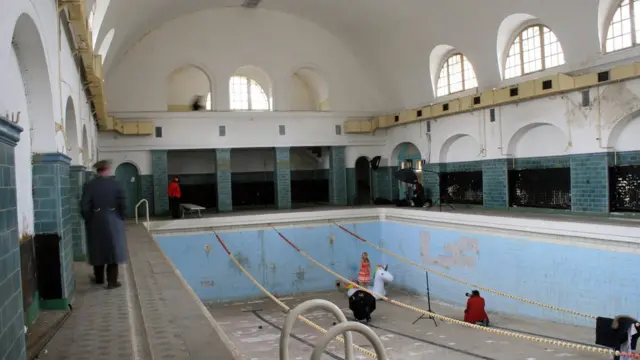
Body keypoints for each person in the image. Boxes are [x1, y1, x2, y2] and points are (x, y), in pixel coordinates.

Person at [80, 160, 127, 290]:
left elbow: (84, 207)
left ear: (98, 170)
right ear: (107, 169)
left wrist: (90, 219)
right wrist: (121, 217)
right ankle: (112, 281)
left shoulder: (89, 185)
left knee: (98, 249)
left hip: (96, 220)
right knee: (113, 251)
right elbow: (122, 204)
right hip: (113, 219)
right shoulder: (116, 185)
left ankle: (99, 278)